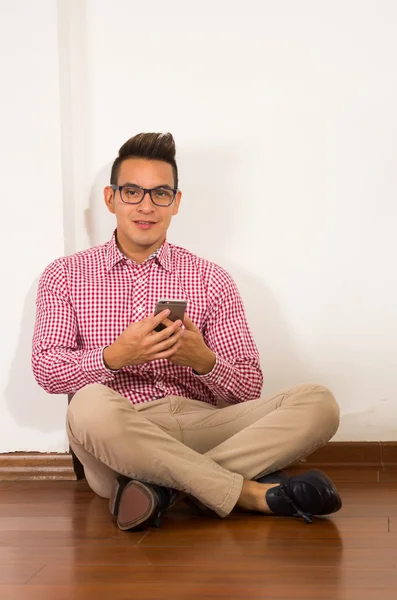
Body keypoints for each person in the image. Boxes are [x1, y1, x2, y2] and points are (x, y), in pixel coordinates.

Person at [32, 132, 342, 531]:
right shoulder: (65, 275)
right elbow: (46, 370)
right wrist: (116, 356)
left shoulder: (211, 279)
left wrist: (204, 362)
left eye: (160, 193)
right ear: (111, 199)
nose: (146, 206)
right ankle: (248, 492)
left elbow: (248, 389)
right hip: (120, 433)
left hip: (204, 426)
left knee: (318, 402)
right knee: (87, 405)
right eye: (132, 192)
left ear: (176, 203)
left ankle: (159, 489)